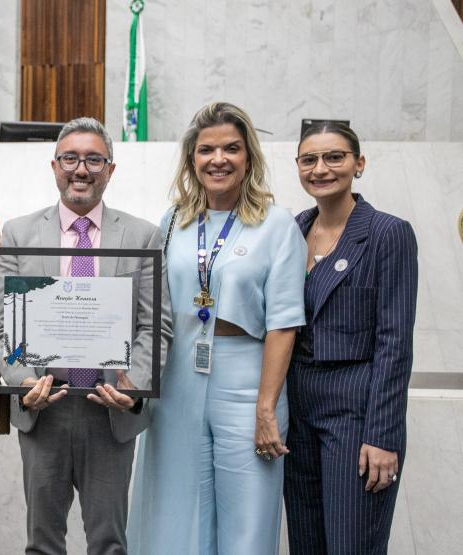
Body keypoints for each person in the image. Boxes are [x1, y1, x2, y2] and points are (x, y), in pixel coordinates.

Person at [0, 116, 173, 555]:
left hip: (109, 411)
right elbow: (3, 324)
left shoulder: (143, 236)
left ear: (110, 169)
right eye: (70, 158)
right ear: (54, 166)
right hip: (43, 409)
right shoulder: (18, 234)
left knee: (109, 542)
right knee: (42, 542)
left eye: (93, 159)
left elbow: (155, 324)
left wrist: (133, 386)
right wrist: (21, 382)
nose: (81, 169)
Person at [127, 102, 307, 554]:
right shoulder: (174, 221)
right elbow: (154, 308)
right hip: (179, 379)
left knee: (247, 518)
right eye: (206, 150)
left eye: (231, 148)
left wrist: (267, 407)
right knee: (176, 510)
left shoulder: (277, 224)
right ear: (192, 159)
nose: (218, 159)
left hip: (248, 382)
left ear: (249, 157)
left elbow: (284, 324)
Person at [284, 122, 417, 554]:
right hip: (298, 409)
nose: (321, 168)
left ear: (358, 164)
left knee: (351, 543)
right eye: (309, 159)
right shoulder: (292, 230)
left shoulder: (387, 233)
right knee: (307, 542)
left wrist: (383, 435)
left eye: (334, 157)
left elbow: (394, 344)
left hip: (356, 413)